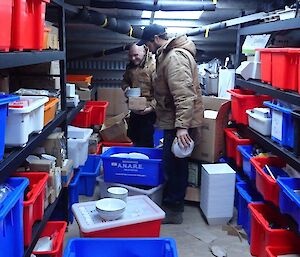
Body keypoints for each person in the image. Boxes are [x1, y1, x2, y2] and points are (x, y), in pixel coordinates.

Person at [137, 24, 204, 224]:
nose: (147, 48)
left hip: (179, 124)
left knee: (175, 166)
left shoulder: (174, 57)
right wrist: (153, 108)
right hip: (174, 120)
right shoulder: (166, 55)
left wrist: (182, 127)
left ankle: (174, 210)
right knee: (173, 163)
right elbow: (167, 93)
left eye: (148, 43)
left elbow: (184, 94)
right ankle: (171, 203)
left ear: (157, 38)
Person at [121, 43, 156, 147]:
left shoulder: (153, 66)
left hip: (149, 111)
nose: (133, 58)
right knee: (132, 136)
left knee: (145, 140)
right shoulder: (130, 66)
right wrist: (126, 88)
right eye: (131, 55)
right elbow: (124, 81)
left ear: (144, 51)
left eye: (136, 55)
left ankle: (145, 161)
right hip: (134, 108)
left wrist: (151, 108)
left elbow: (161, 92)